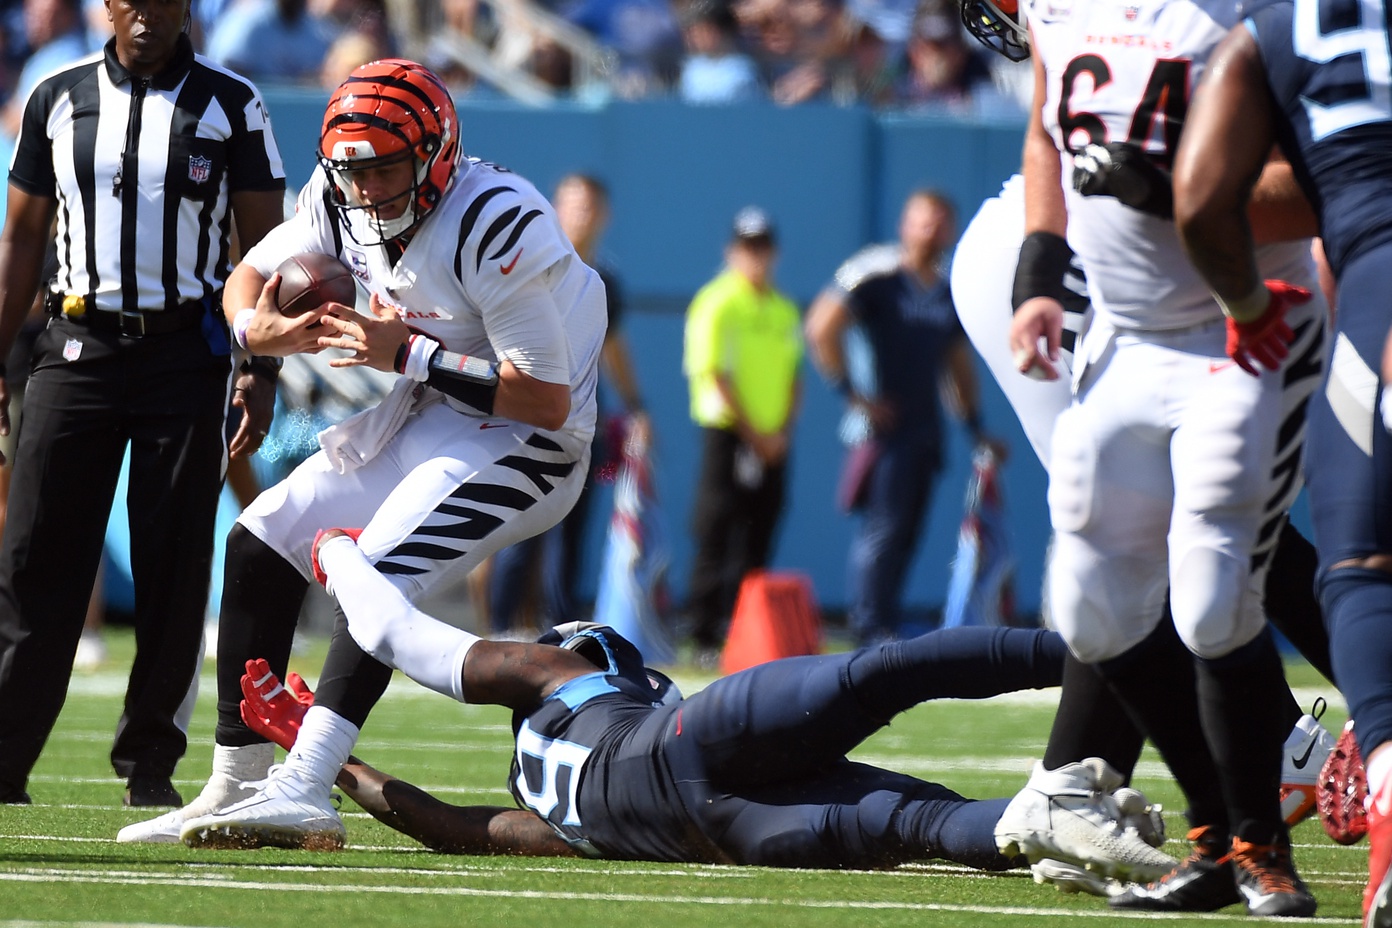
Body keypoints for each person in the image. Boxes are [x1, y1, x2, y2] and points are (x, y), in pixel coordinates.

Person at [120, 57, 606, 847]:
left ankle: (308, 787)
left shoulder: (498, 221)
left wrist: (407, 353)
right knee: (261, 537)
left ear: (435, 157)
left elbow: (542, 397)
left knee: (375, 572)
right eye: (355, 173)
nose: (369, 191)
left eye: (386, 170)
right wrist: (258, 333)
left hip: (534, 441)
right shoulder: (338, 195)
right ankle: (235, 782)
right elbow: (245, 279)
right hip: (433, 407)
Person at [199, 525, 1175, 872]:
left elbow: (450, 826)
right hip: (688, 747)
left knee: (926, 821)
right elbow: (424, 648)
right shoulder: (559, 671)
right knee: (885, 674)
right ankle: (1088, 653)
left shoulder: (553, 814)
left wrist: (337, 761)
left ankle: (1046, 826)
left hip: (722, 828)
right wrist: (342, 558)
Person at [998, 0, 1332, 914]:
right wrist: (1038, 273)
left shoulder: (1248, 17)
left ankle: (1259, 845)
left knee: (1214, 598)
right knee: (1092, 610)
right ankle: (1217, 833)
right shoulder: (1056, 8)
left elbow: (1326, 180)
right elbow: (1045, 132)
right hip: (1125, 334)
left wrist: (1172, 186)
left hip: (1247, 325)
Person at [0, 0, 285, 806]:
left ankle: (150, 763)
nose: (147, 14)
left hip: (182, 354)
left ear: (189, 7)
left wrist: (256, 370)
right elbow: (21, 235)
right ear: (107, 6)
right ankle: (5, 756)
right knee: (33, 557)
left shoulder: (233, 104)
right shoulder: (55, 95)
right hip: (75, 348)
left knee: (175, 561)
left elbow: (267, 250)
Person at [1169, 1, 1392, 921]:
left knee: (1362, 566)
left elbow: (1199, 197)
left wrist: (1249, 303)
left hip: (1380, 276)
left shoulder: (1271, 31)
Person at [805, 189, 994, 644]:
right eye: (922, 218)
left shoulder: (950, 287)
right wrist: (853, 395)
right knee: (883, 528)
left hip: (925, 428)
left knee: (908, 531)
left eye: (940, 220)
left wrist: (975, 428)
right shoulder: (876, 271)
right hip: (881, 428)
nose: (931, 229)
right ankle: (868, 625)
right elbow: (820, 327)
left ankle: (883, 620)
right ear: (904, 223)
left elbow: (958, 367)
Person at [488, 173, 649, 634]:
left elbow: (613, 346)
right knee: (519, 526)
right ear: (556, 207)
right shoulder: (534, 265)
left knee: (572, 529)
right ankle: (500, 628)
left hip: (583, 425)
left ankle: (561, 630)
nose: (582, 214)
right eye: (574, 204)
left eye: (591, 206)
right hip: (529, 418)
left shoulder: (606, 279)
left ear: (605, 215)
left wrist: (636, 407)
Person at [682, 206, 801, 660]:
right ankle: (704, 632)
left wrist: (781, 432)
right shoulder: (717, 301)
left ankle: (746, 631)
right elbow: (715, 375)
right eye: (748, 248)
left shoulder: (782, 308)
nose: (756, 257)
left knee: (761, 529)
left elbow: (794, 376)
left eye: (763, 248)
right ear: (732, 252)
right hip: (729, 434)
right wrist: (757, 435)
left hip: (773, 439)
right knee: (717, 527)